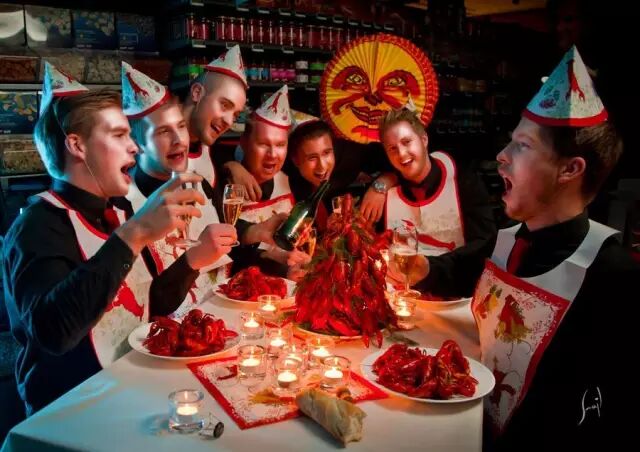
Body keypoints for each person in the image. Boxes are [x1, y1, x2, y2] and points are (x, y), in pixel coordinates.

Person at [1, 63, 204, 415]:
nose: (134, 148)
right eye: (119, 135)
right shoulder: (38, 226)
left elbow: (146, 305)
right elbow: (54, 332)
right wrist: (134, 235)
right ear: (76, 145)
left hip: (131, 394)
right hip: (71, 415)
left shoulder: (119, 212)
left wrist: (193, 261)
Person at [469, 46, 639, 450]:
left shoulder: (612, 276)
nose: (502, 156)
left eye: (522, 146)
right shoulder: (508, 238)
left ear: (570, 169)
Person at [120, 63, 236, 316]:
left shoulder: (201, 185)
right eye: (163, 131)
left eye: (181, 126)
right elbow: (139, 310)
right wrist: (192, 259)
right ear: (136, 141)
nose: (178, 140)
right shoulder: (123, 206)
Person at [381, 108, 497, 297]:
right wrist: (379, 184)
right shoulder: (384, 193)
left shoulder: (464, 181)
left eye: (407, 142)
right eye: (392, 148)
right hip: (405, 301)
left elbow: (485, 245)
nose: (401, 154)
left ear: (424, 139)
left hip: (459, 297)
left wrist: (432, 269)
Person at [213, 86, 310, 279]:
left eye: (280, 145)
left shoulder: (292, 178)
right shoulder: (222, 183)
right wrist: (230, 165)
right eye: (263, 144)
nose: (272, 155)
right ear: (244, 142)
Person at [181, 45, 248, 189]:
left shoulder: (214, 153)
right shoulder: (152, 147)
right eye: (224, 105)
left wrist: (231, 164)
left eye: (235, 115)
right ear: (197, 93)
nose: (229, 121)